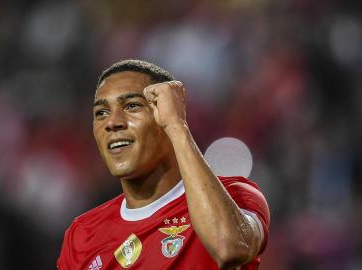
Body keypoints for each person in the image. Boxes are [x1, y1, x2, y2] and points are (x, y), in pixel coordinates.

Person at [57, 59, 270, 270]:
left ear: (165, 115)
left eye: (132, 106)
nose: (112, 123)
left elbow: (229, 249)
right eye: (101, 112)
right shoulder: (82, 234)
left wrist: (177, 125)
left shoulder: (235, 195)